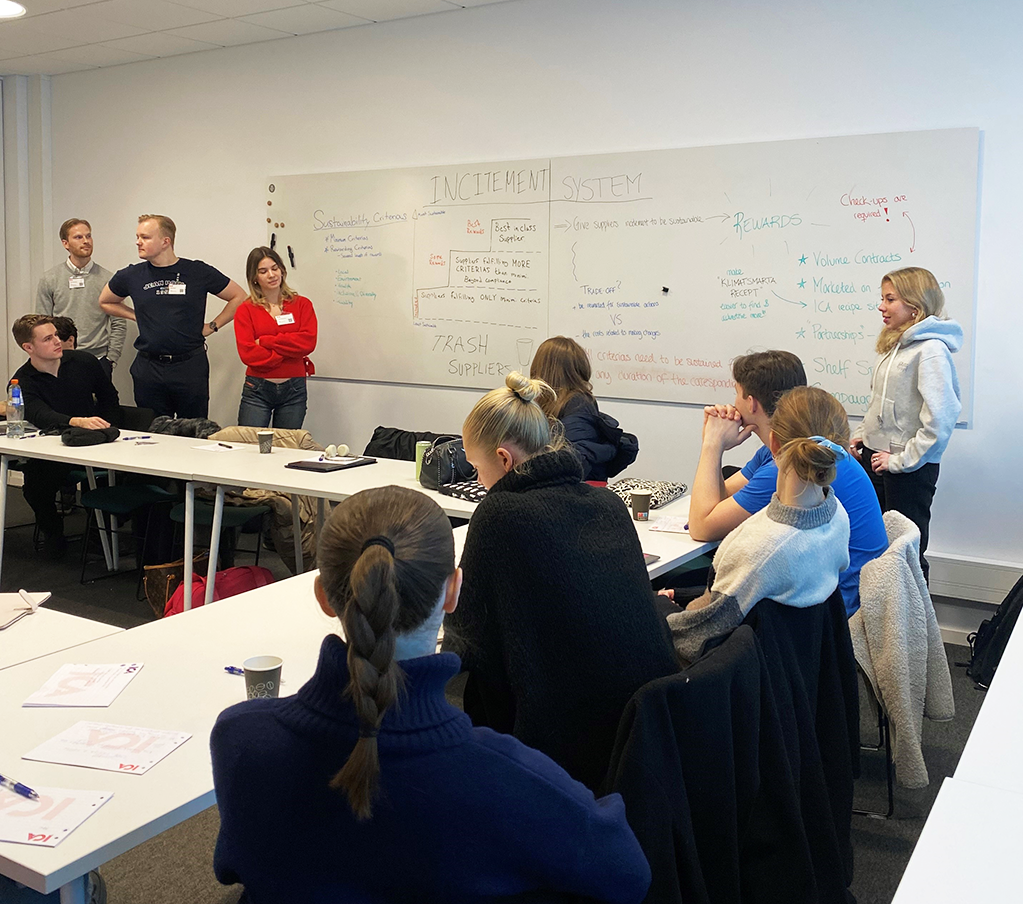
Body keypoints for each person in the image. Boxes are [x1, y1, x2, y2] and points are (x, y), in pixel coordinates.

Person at [210, 485, 651, 904]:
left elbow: (234, 867)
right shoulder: (508, 777)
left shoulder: (239, 738)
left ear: (324, 596)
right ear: (454, 590)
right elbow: (628, 873)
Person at [443, 372, 677, 790]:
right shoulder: (607, 501)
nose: (478, 482)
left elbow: (465, 637)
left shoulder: (499, 516)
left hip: (563, 751)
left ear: (503, 459)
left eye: (477, 469)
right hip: (643, 734)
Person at [687, 350, 887, 617]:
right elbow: (720, 504)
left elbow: (702, 527)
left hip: (832, 610)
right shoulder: (799, 449)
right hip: (830, 595)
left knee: (684, 590)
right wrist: (719, 447)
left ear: (751, 402)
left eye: (736, 392)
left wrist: (712, 444)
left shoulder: (790, 469)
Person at [666, 386, 852, 665]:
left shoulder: (760, 547)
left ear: (773, 443)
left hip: (733, 674)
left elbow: (694, 639)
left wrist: (662, 611)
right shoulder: (838, 517)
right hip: (796, 665)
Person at [850, 267, 962, 579]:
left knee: (906, 553)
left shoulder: (931, 351)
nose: (881, 306)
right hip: (877, 459)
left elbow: (940, 420)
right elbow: (880, 403)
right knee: (876, 548)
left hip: (908, 470)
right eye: (881, 298)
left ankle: (914, 626)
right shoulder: (895, 346)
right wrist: (863, 435)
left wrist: (901, 461)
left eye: (890, 299)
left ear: (914, 306)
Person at [99, 215, 246, 419]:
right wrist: (136, 316)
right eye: (137, 236)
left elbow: (239, 297)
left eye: (145, 237)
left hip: (189, 365)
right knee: (153, 432)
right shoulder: (131, 275)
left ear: (165, 241)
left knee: (193, 429)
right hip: (149, 367)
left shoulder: (196, 271)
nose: (138, 242)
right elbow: (105, 301)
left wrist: (213, 326)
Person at [10, 314, 121, 558]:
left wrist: (109, 428)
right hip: (54, 445)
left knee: (116, 477)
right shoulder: (23, 380)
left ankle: (99, 534)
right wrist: (75, 421)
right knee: (35, 484)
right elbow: (39, 413)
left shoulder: (84, 362)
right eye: (48, 339)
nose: (57, 341)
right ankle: (53, 535)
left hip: (94, 441)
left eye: (57, 336)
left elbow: (109, 397)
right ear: (28, 347)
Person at [530, 335, 637, 483]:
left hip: (571, 489)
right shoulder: (537, 402)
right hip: (552, 486)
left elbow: (576, 461)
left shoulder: (577, 402)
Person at [233, 246, 317, 429]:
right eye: (263, 271)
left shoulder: (302, 304)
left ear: (282, 270)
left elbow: (308, 342)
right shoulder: (245, 310)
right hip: (257, 389)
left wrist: (265, 341)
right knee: (249, 446)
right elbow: (248, 354)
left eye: (275, 268)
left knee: (286, 447)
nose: (271, 275)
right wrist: (289, 353)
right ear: (254, 277)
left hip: (294, 389)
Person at [35, 218, 124, 379]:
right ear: (65, 243)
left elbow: (118, 322)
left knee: (99, 404)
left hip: (97, 360)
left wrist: (111, 359)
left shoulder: (108, 280)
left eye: (88, 236)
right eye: (78, 237)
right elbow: (42, 323)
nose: (86, 241)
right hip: (60, 360)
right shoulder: (50, 279)